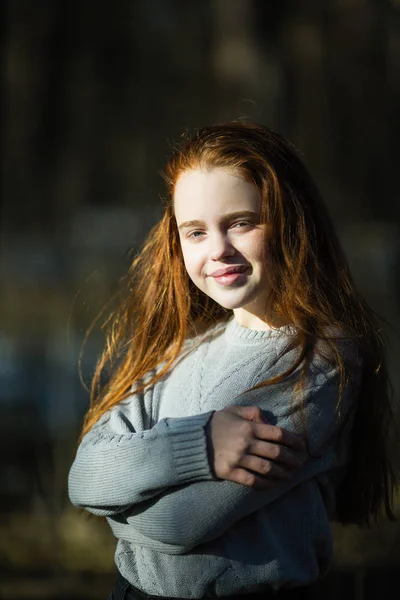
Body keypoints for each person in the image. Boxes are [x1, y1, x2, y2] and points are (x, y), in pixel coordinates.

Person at [68, 122, 396, 600]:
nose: (218, 249)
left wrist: (121, 502)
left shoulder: (318, 362)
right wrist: (200, 444)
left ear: (290, 220)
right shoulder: (185, 348)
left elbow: (179, 524)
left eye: (241, 222)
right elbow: (83, 476)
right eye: (196, 232)